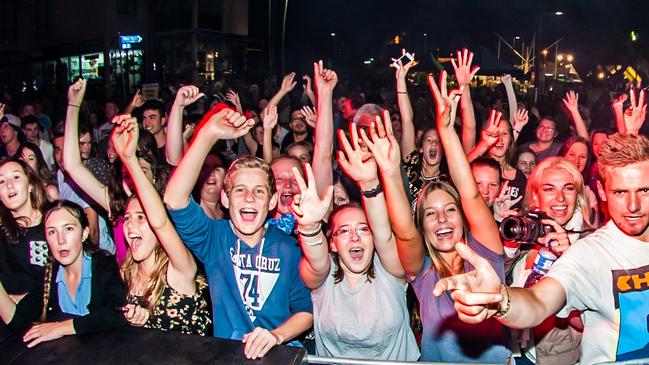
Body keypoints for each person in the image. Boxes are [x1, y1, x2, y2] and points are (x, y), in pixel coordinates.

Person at [432, 131, 649, 363]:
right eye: (620, 192)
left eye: (644, 191)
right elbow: (538, 301)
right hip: (521, 352)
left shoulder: (583, 243)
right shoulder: (531, 233)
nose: (633, 205)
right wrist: (500, 297)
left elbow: (580, 317)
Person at [370, 78, 510, 362]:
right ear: (423, 227)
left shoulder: (484, 251)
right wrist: (388, 171)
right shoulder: (422, 271)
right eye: (430, 214)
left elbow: (470, 194)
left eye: (450, 209)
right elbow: (404, 232)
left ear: (463, 216)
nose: (442, 219)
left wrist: (447, 130)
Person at [163, 108, 313, 360]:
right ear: (225, 197)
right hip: (228, 355)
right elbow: (174, 199)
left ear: (272, 200)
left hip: (279, 355)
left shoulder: (289, 248)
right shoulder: (215, 239)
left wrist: (275, 335)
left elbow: (305, 312)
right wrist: (208, 134)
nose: (249, 198)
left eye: (259, 191)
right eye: (240, 190)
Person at [291, 123, 419, 360]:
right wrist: (309, 227)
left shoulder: (390, 271)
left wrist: (370, 183)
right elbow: (317, 261)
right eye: (344, 231)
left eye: (363, 229)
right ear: (332, 243)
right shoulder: (324, 277)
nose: (355, 237)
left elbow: (385, 234)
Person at [111, 116, 211, 335]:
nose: (130, 225)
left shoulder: (180, 268)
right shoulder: (126, 272)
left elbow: (161, 221)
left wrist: (130, 160)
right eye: (127, 218)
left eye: (140, 218)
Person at [0, 200, 127, 347]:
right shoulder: (49, 274)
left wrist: (61, 328)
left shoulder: (103, 265)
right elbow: (18, 322)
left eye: (68, 229)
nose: (61, 240)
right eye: (52, 232)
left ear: (84, 233)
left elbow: (120, 312)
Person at [0, 159, 49, 335]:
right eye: (2, 181)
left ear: (30, 185)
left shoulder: (50, 224)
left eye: (15, 177)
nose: (9, 185)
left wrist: (25, 297)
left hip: (41, 321)